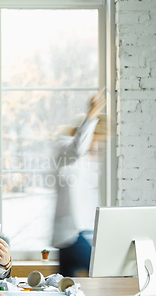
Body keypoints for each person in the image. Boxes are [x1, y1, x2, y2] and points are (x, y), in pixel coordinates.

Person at [51, 88, 106, 277]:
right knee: (104, 271)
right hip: (72, 235)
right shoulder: (66, 152)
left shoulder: (84, 160)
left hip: (76, 236)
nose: (97, 146)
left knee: (67, 290)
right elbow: (78, 147)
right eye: (96, 140)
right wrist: (91, 116)